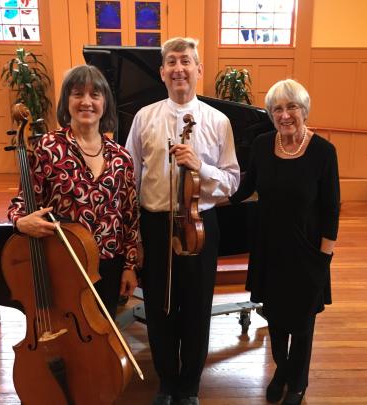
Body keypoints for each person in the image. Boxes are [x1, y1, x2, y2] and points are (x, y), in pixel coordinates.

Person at [125, 37, 240, 405]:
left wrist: (201, 166)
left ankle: (189, 387)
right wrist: (136, 237)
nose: (179, 68)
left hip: (198, 226)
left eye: (186, 61)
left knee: (196, 311)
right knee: (159, 311)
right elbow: (131, 178)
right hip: (155, 226)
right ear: (161, 73)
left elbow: (232, 182)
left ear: (198, 69)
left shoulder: (218, 121)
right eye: (171, 62)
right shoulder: (144, 117)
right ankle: (166, 383)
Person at [229, 79, 340, 405]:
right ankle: (283, 369)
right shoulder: (263, 145)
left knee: (302, 324)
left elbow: (332, 208)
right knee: (275, 321)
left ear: (303, 110)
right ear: (271, 113)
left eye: (291, 107)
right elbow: (245, 188)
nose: (285, 114)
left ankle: (299, 382)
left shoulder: (323, 151)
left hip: (308, 252)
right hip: (269, 251)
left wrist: (324, 257)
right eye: (277, 108)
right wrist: (206, 186)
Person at [7, 64, 139, 318]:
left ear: (105, 103)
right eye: (78, 94)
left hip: (109, 265)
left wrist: (130, 266)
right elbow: (21, 203)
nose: (86, 102)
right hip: (62, 262)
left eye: (95, 95)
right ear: (67, 101)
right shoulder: (48, 147)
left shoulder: (121, 156)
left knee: (102, 336)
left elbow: (130, 219)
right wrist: (22, 221)